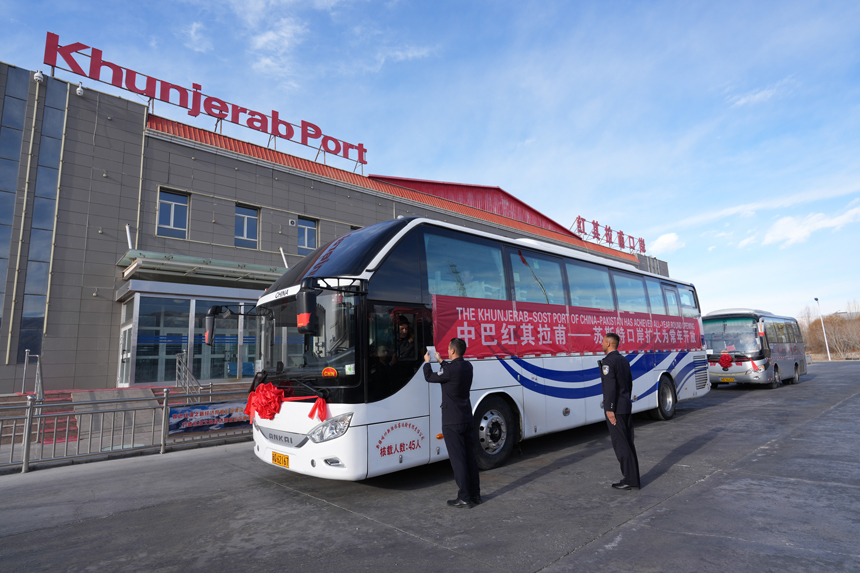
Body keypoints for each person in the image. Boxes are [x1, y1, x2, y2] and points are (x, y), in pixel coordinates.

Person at [423, 338, 481, 508]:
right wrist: (441, 361)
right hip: (466, 418)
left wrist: (428, 362)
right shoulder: (467, 366)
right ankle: (475, 494)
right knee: (470, 458)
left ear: (453, 351)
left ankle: (464, 497)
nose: (447, 351)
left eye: (449, 349)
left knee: (458, 460)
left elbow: (429, 377)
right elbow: (450, 370)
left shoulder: (450, 371)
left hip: (452, 421)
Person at [599, 332, 640, 491]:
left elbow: (610, 388)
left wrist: (609, 409)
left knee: (621, 445)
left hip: (615, 409)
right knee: (628, 442)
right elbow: (629, 384)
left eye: (603, 341)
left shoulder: (608, 362)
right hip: (625, 405)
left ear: (609, 343)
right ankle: (633, 478)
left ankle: (630, 480)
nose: (601, 343)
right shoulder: (623, 360)